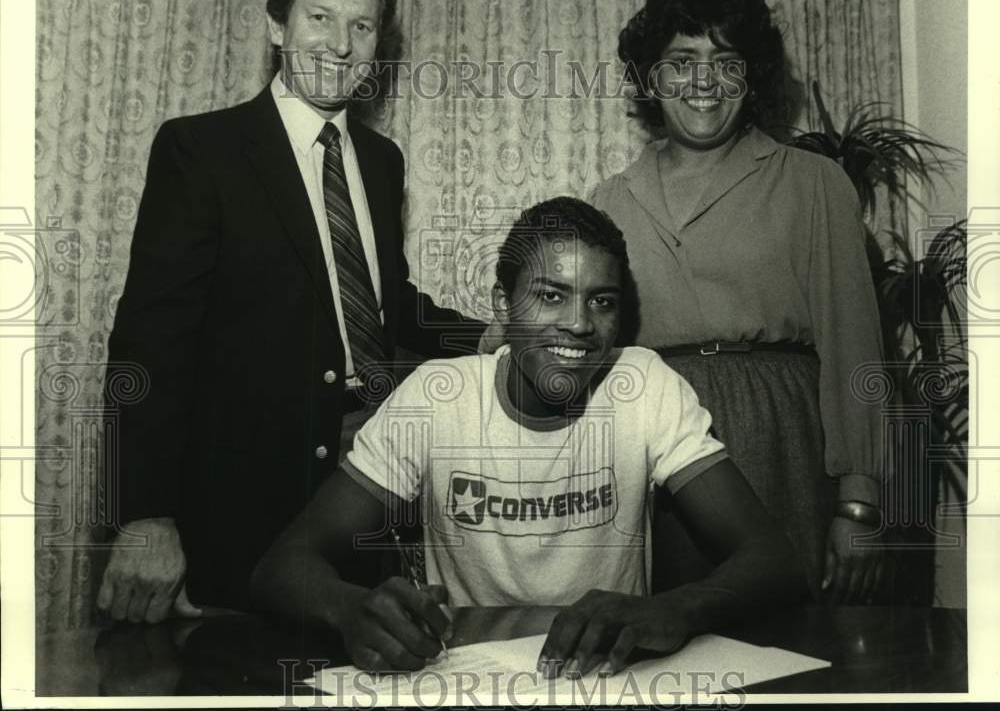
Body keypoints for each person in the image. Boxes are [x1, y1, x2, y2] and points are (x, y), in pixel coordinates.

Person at [99, 0, 484, 622]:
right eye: (320, 17)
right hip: (236, 530)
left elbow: (382, 304)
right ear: (276, 24)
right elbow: (147, 346)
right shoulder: (202, 150)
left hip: (361, 518)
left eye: (361, 25)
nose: (341, 44)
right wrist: (144, 514)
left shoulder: (380, 159)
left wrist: (489, 339)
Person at [250, 197, 805, 675]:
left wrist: (676, 609)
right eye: (551, 295)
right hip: (471, 677)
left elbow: (773, 558)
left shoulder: (644, 385)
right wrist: (349, 610)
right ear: (502, 306)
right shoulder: (436, 396)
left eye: (602, 301)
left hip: (609, 677)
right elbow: (282, 565)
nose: (580, 324)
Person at [591, 0, 885, 603]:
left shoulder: (814, 184)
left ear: (750, 78)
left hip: (781, 442)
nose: (702, 80)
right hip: (653, 456)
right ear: (652, 77)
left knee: (786, 653)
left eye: (725, 61)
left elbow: (856, 349)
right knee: (664, 656)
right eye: (681, 60)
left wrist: (859, 501)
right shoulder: (608, 201)